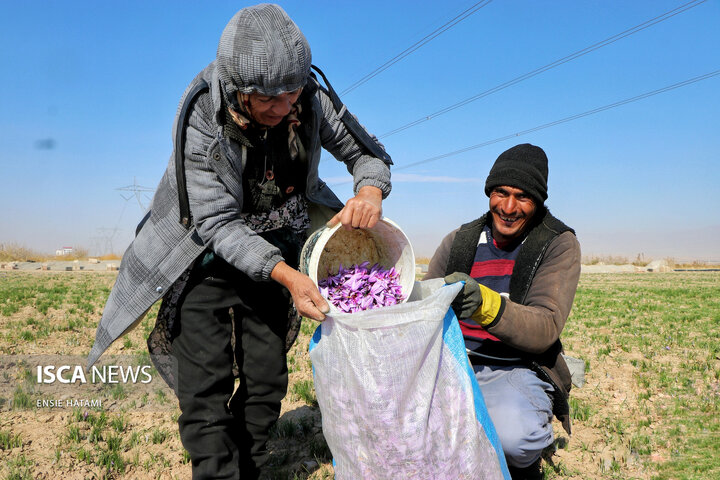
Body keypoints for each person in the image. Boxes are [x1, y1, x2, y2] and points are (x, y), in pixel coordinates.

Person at [87, 4, 392, 478]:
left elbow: (367, 153)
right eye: (266, 99)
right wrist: (290, 278)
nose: (282, 107)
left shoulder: (309, 97)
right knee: (205, 390)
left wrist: (369, 188)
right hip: (202, 256)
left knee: (267, 382)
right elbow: (217, 221)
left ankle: (249, 467)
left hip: (278, 249)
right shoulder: (201, 114)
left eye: (290, 93)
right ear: (236, 88)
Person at [424, 143, 580, 480]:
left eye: (522, 197)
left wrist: (485, 304)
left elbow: (545, 326)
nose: (508, 207)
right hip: (454, 364)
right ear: (489, 192)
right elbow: (424, 305)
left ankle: (521, 461)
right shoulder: (460, 241)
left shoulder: (557, 243)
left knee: (514, 438)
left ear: (538, 202)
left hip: (515, 366)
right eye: (500, 192)